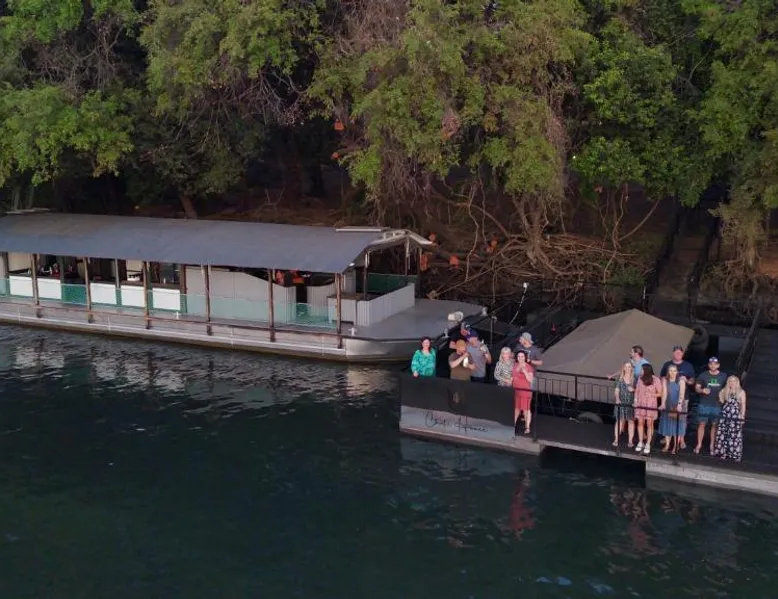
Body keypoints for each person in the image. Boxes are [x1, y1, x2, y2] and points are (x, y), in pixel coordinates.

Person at [694, 357, 727, 455]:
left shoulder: (724, 376)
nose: (713, 365)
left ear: (718, 365)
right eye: (711, 364)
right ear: (708, 365)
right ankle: (699, 444)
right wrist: (702, 390)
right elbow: (697, 388)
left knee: (715, 425)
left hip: (717, 404)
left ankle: (712, 445)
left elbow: (728, 388)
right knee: (702, 424)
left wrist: (723, 395)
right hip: (704, 403)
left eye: (715, 364)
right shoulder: (702, 375)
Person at [714, 375, 746, 461]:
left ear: (737, 382)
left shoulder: (741, 392)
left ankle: (734, 454)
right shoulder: (725, 390)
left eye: (734, 381)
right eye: (730, 381)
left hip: (735, 415)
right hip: (726, 414)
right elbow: (721, 400)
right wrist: (721, 393)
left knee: (734, 435)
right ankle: (723, 452)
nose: (732, 382)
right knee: (723, 433)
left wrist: (742, 416)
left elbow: (743, 405)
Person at [658, 364, 687, 453]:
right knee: (667, 425)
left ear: (677, 372)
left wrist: (679, 404)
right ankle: (667, 445)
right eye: (670, 370)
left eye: (674, 371)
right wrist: (663, 404)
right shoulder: (665, 380)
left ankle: (675, 446)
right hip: (668, 405)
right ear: (668, 372)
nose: (672, 372)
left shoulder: (681, 381)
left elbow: (682, 394)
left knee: (677, 427)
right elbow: (664, 393)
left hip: (678, 404)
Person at [634, 363, 662, 455]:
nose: (640, 371)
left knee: (649, 424)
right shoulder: (640, 379)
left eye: (642, 369)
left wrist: (652, 394)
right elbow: (637, 391)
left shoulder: (656, 380)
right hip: (640, 404)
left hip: (650, 405)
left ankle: (648, 443)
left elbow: (660, 393)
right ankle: (640, 441)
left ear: (646, 370)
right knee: (640, 423)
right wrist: (635, 400)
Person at [613, 362, 636, 448]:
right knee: (619, 420)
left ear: (631, 368)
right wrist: (617, 399)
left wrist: (633, 390)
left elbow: (638, 391)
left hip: (631, 403)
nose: (627, 368)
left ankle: (630, 441)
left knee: (631, 421)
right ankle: (616, 439)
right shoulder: (619, 378)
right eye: (626, 366)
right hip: (621, 402)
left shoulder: (634, 379)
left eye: (629, 366)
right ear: (623, 368)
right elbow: (616, 390)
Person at [512, 350, 534, 434]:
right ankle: (513, 425)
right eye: (518, 356)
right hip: (516, 390)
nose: (520, 358)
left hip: (525, 391)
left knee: (526, 409)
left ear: (525, 357)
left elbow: (530, 380)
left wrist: (525, 372)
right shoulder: (515, 365)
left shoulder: (529, 367)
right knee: (516, 409)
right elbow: (513, 376)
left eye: (522, 356)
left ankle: (527, 427)